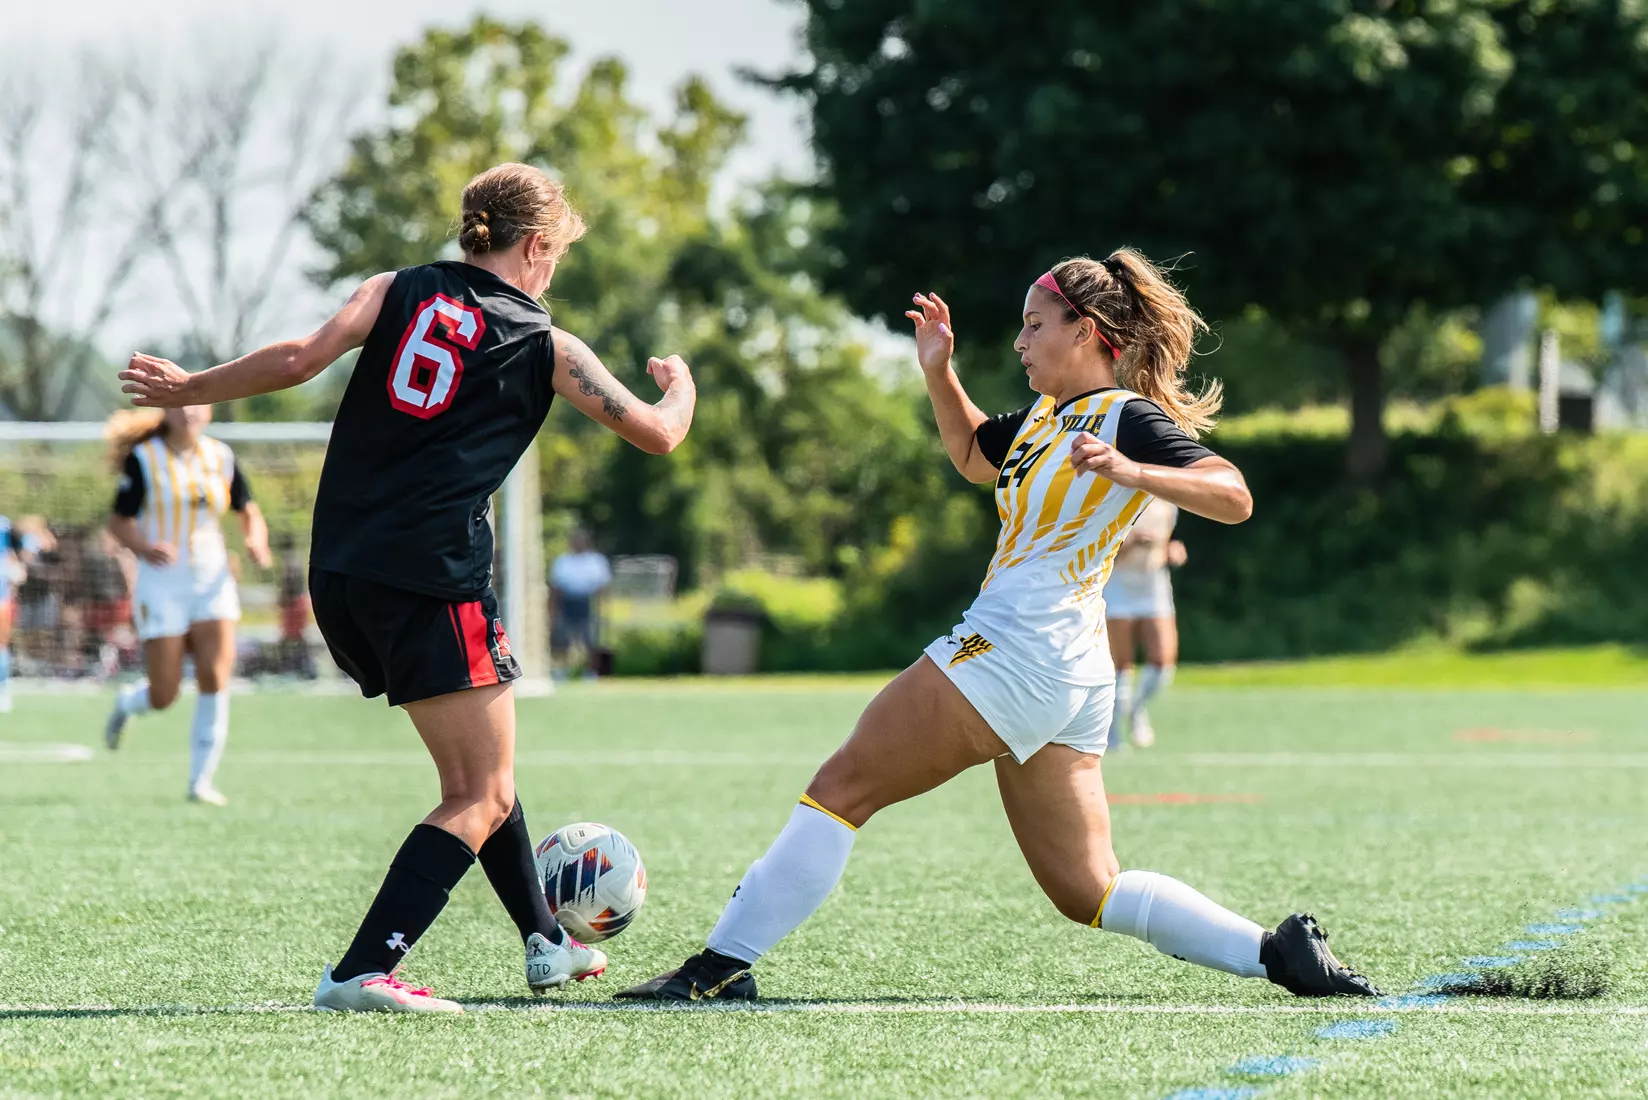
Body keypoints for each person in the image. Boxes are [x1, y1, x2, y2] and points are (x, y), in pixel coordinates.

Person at [618, 252, 1379, 1003]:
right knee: (1087, 888)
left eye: (1034, 324)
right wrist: (938, 369)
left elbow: (1233, 493)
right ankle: (1276, 954)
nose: (1019, 342)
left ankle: (715, 968)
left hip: (1016, 650)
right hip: (1068, 672)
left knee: (840, 788)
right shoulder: (1048, 418)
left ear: (1085, 331)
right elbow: (973, 454)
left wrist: (1132, 472)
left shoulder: (1123, 417)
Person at [120, 162, 697, 1014]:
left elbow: (298, 358)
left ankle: (545, 942)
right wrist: (681, 383)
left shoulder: (396, 287)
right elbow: (657, 434)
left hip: (344, 568)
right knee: (480, 792)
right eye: (558, 253)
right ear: (535, 245)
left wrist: (190, 387)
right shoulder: (546, 343)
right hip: (433, 576)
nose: (554, 269)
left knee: (489, 764)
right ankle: (361, 971)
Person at [101, 407, 271, 805]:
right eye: (179, 405)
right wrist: (144, 546)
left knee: (215, 677)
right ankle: (128, 702)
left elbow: (248, 510)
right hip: (162, 583)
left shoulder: (221, 456)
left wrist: (255, 540)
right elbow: (118, 522)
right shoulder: (144, 458)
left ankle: (201, 781)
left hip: (212, 581)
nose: (189, 412)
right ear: (167, 413)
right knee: (165, 694)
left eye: (196, 403)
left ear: (208, 411)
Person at [1105, 496, 1184, 749]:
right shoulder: (1115, 499)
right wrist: (1132, 543)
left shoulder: (1167, 503)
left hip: (1153, 583)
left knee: (1163, 663)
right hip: (1119, 582)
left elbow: (1165, 540)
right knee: (1121, 665)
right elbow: (1103, 550)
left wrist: (1172, 550)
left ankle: (1136, 708)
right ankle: (1113, 730)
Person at [0, 515, 51, 713]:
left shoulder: (5, 526)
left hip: (2, 600)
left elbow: (29, 546)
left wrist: (16, 567)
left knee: (1, 646)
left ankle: (3, 689)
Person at [549, 529, 611, 678]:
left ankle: (591, 672)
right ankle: (562, 670)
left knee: (590, 640)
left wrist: (602, 610)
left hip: (587, 602)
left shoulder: (595, 561)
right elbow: (556, 588)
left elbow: (602, 588)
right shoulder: (563, 561)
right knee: (561, 640)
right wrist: (552, 611)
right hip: (567, 602)